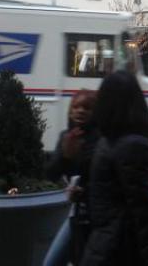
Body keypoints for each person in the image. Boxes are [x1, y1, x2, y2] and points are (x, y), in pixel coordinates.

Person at [80, 71, 148, 266]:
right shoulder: (133, 146)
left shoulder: (106, 141)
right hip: (122, 249)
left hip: (103, 245)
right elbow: (145, 213)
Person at [43, 90, 99, 266]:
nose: (80, 111)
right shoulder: (65, 137)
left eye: (87, 108)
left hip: (98, 216)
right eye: (76, 107)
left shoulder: (100, 140)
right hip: (77, 212)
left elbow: (96, 174)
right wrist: (65, 156)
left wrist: (82, 189)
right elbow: (50, 175)